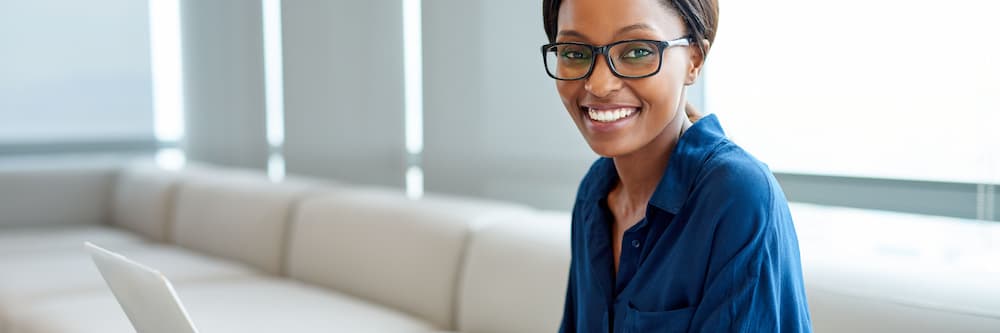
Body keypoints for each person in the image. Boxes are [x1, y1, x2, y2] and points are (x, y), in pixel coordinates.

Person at [541, 0, 813, 331]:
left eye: (637, 52)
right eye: (575, 52)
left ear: (694, 59)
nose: (599, 85)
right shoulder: (594, 194)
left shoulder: (737, 197)